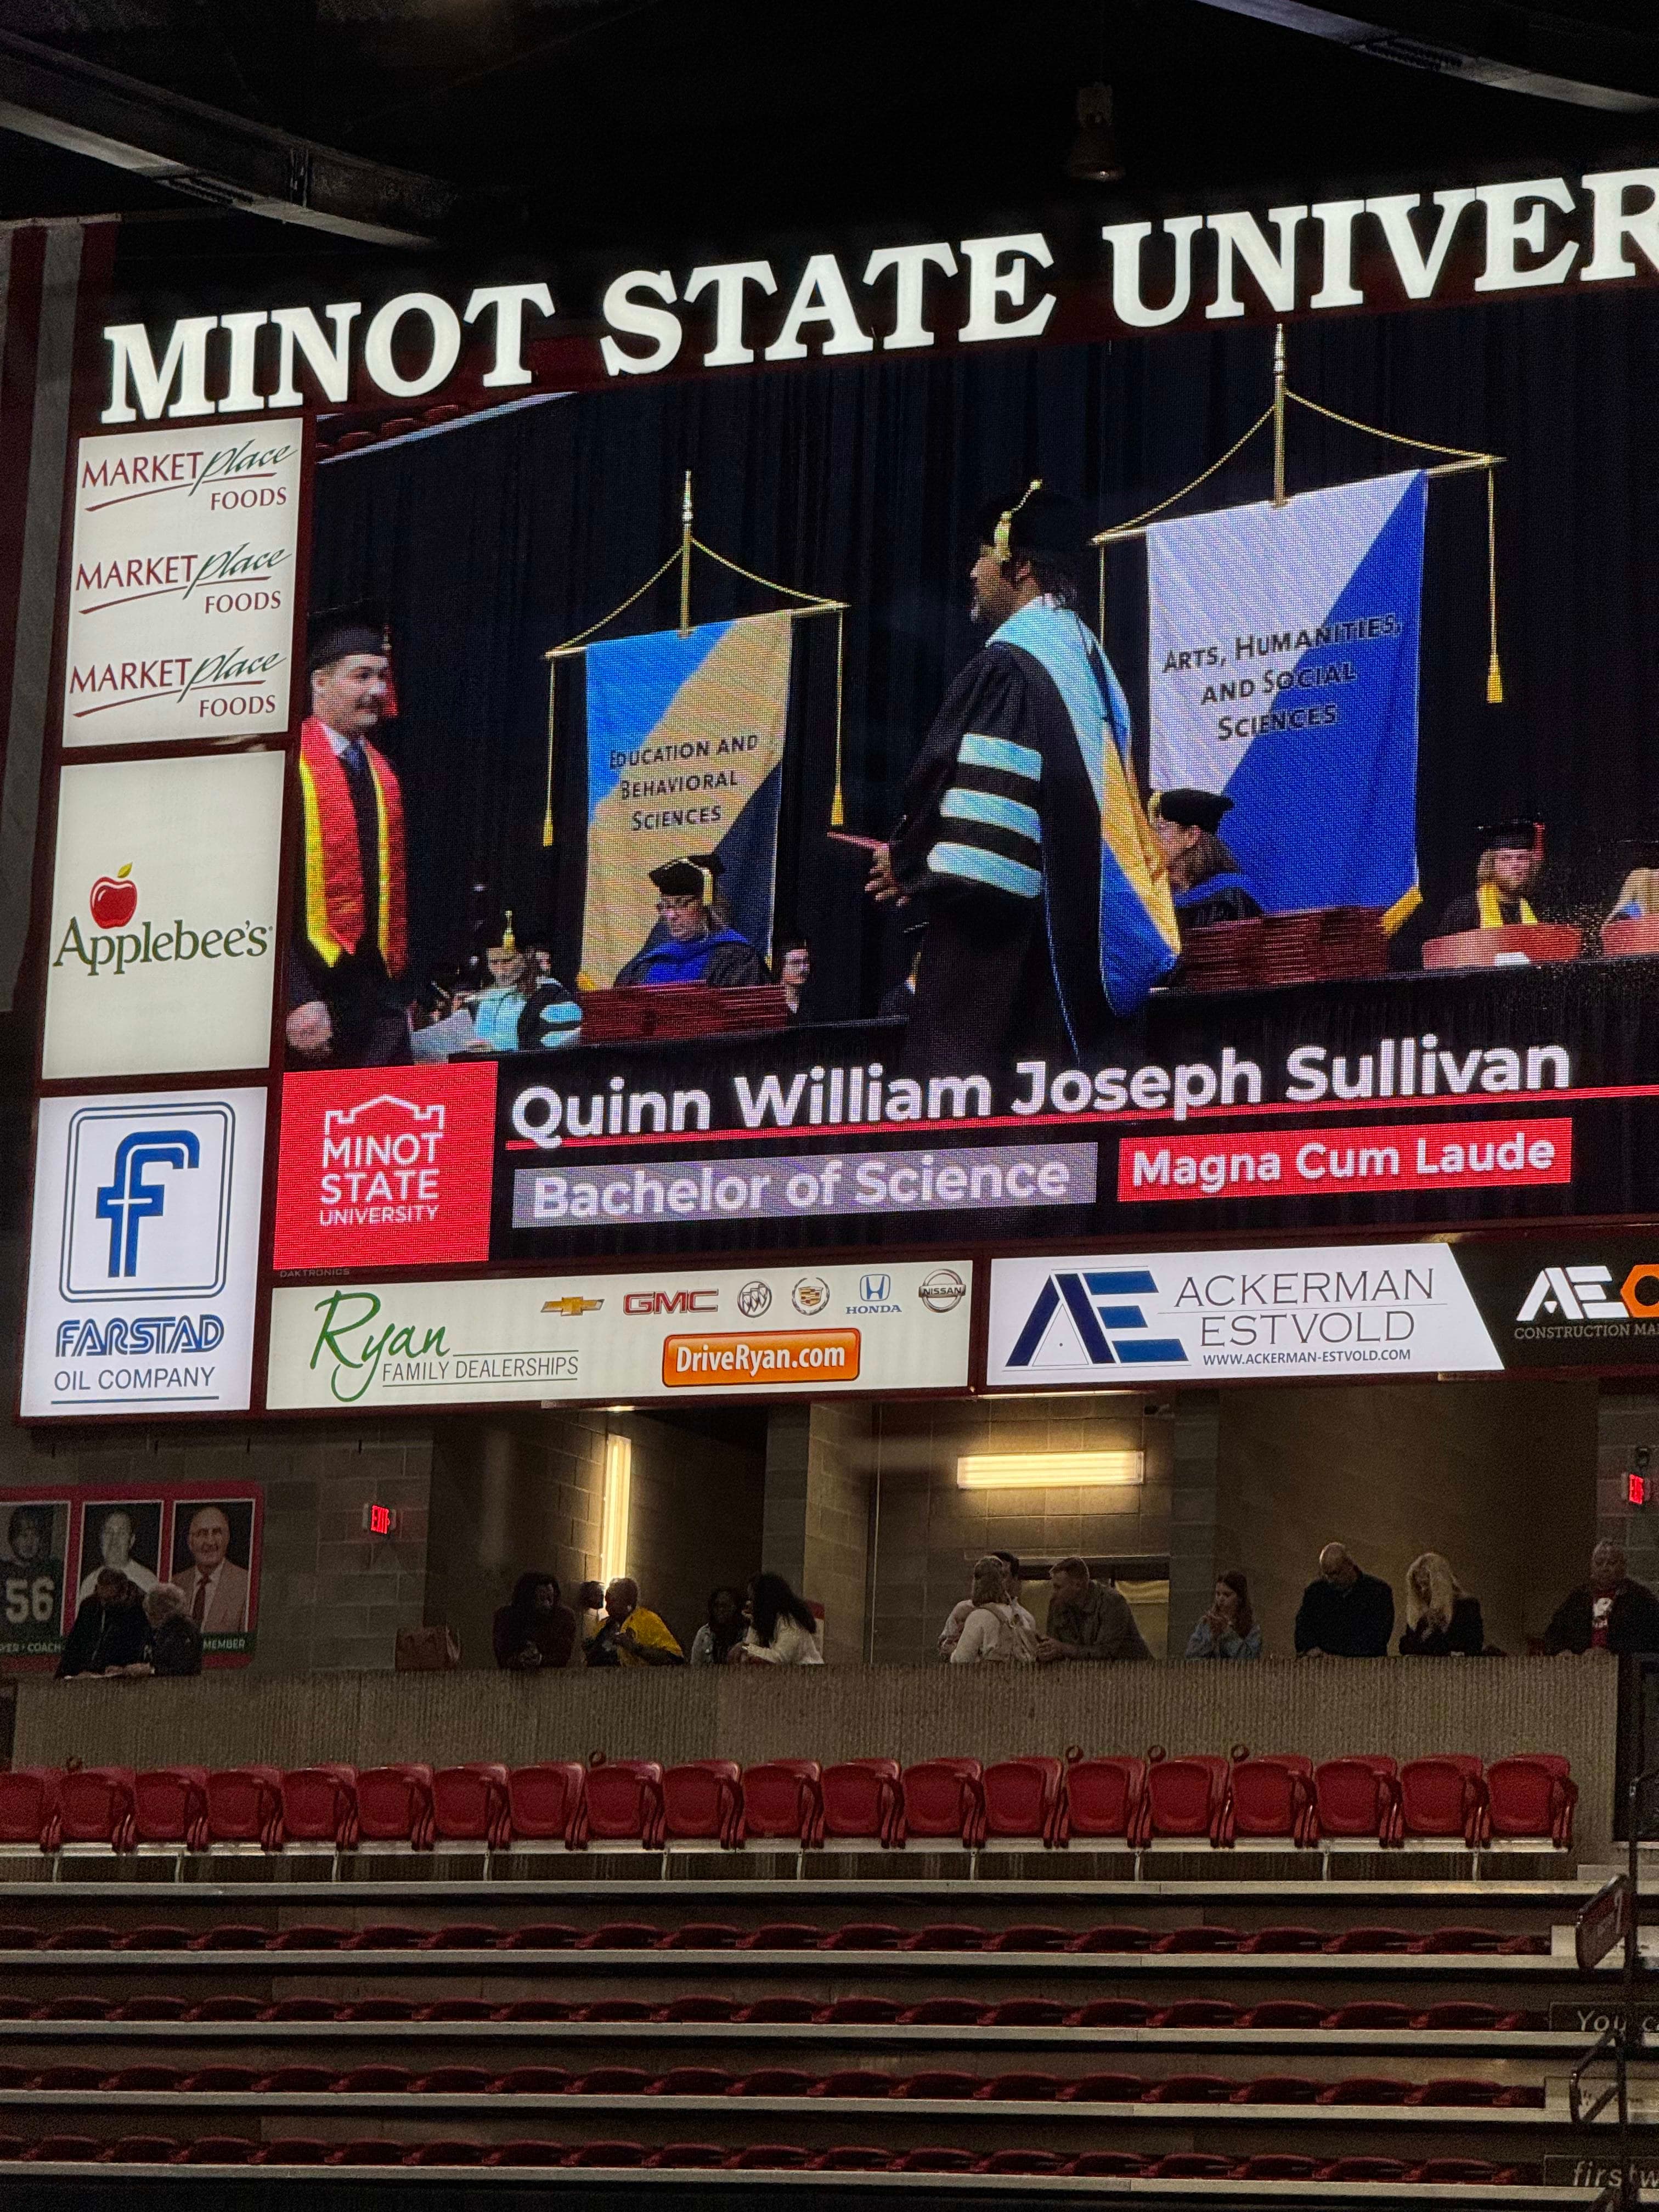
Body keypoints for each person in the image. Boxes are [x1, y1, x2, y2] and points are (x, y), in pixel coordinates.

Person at [867, 483, 1173, 1071]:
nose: (973, 571)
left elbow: (980, 817)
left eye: (983, 555)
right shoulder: (1089, 662)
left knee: (975, 1126)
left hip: (1003, 960)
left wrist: (909, 857)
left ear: (1021, 567)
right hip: (1072, 939)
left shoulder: (1014, 665)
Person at [286, 601, 413, 1068]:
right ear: (319, 682)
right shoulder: (285, 767)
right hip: (309, 1004)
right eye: (361, 676)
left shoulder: (384, 774)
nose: (377, 690)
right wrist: (292, 997)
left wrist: (402, 994)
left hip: (378, 1009)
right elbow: (257, 899)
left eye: (382, 677)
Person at [615, 855, 765, 988]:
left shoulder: (737, 959)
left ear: (707, 904)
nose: (671, 915)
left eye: (682, 904)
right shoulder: (649, 963)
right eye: (665, 906)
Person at [1149, 789, 1264, 938]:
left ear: (1191, 836)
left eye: (1161, 828)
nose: (1150, 839)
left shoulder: (1230, 897)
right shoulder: (1155, 898)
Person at [1542, 1541, 1659, 1656]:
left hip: (1623, 1668)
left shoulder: (1639, 1597)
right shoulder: (1579, 1597)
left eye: (1611, 1563)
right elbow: (1553, 1634)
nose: (1605, 1568)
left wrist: (1613, 1651)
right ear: (1592, 1566)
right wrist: (1560, 1651)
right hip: (1582, 1666)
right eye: (1599, 1563)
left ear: (1623, 1565)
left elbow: (1651, 1638)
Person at [1436, 820, 1544, 936]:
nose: (1515, 865)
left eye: (1522, 858)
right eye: (1506, 858)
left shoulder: (1538, 909)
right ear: (1490, 865)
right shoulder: (1465, 909)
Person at [1036, 1556, 1152, 1664]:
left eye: (1059, 1587)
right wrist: (1046, 1653)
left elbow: (1106, 1654)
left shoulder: (1111, 1603)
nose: (1054, 1593)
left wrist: (1063, 1649)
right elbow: (1055, 1644)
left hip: (1134, 1672)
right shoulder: (1058, 1604)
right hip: (1087, 1676)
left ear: (1078, 1585)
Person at [1294, 1543, 1394, 1658]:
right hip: (1322, 1666)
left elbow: (1377, 1638)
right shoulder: (1316, 1593)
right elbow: (1303, 1628)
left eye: (1335, 1574)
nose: (1330, 1581)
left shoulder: (1378, 1593)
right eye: (1326, 1575)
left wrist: (1338, 1656)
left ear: (1349, 1566)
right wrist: (1311, 1649)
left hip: (1365, 1668)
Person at [169, 1506, 250, 1634]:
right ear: (190, 1542)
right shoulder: (175, 1583)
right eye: (202, 1533)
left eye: (217, 1532)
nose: (210, 1542)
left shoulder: (245, 1584)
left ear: (227, 1538)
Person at [55, 1570, 149, 1678]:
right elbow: (75, 1645)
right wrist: (62, 1675)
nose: (104, 1604)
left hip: (118, 1674)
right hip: (89, 1673)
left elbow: (137, 1647)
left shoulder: (140, 1610)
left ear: (124, 1592)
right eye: (101, 1598)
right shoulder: (91, 1606)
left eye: (110, 1599)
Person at [939, 1550, 1031, 1658]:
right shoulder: (1017, 1617)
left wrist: (953, 1651)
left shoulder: (978, 1616)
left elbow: (962, 1659)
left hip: (983, 1673)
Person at [1397, 1551, 1485, 1657]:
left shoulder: (1466, 1607)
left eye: (1426, 1584)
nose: (1422, 1591)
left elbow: (1472, 1646)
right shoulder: (1420, 1615)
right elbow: (1407, 1646)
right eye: (1418, 1586)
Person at [585, 1576, 684, 1667]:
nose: (607, 1607)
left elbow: (675, 1659)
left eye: (613, 1601)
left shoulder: (647, 1620)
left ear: (628, 1602)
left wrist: (635, 1648)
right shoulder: (603, 1626)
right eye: (607, 1601)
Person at [493, 1571, 578, 1672]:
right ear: (528, 1599)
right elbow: (504, 1655)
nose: (547, 1605)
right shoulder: (506, 1617)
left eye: (550, 1599)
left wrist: (541, 1660)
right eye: (541, 1599)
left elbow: (562, 1656)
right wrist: (519, 1660)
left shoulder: (564, 1618)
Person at [732, 1573, 824, 1666]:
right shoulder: (770, 1621)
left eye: (753, 1600)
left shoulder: (790, 1622)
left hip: (808, 1674)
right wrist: (754, 1624)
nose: (749, 1604)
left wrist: (746, 1647)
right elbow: (748, 1649)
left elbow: (780, 1658)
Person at [3, 1506, 63, 1643]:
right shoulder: (4, 1571)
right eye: (24, 1536)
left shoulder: (52, 1569)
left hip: (43, 1644)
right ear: (13, 1538)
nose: (29, 1542)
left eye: (35, 1535)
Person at [76, 1506, 157, 1601]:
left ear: (131, 1541)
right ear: (101, 1539)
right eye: (109, 1532)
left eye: (122, 1533)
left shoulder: (148, 1582)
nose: (114, 1540)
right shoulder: (89, 1584)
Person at [1185, 1571, 1262, 1660]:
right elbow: (1191, 1655)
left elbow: (1250, 1659)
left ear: (1240, 1598)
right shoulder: (1206, 1623)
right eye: (1218, 1594)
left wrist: (1227, 1633)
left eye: (1227, 1595)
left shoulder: (1252, 1628)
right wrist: (1212, 1638)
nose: (1221, 1599)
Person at [143, 1583, 204, 1678]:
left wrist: (151, 1670)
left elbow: (182, 1668)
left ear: (165, 1611)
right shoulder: (162, 1630)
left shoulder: (184, 1630)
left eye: (153, 1613)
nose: (149, 1618)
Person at [690, 1585, 747, 1667]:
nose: (721, 1610)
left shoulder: (747, 1632)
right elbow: (695, 1666)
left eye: (725, 1606)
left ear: (735, 1608)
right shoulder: (704, 1634)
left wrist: (743, 1647)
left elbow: (753, 1649)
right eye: (717, 1606)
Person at [775, 935, 813, 1018]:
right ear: (781, 966)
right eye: (795, 963)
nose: (803, 969)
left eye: (806, 962)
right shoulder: (772, 1003)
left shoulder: (814, 1002)